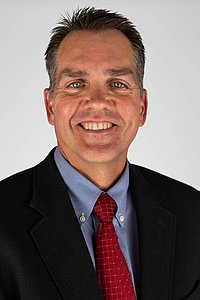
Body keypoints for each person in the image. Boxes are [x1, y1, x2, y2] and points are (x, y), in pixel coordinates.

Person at [0, 7, 199, 300]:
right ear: (50, 106)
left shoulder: (192, 214)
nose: (97, 102)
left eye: (117, 84)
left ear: (142, 107)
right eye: (76, 84)